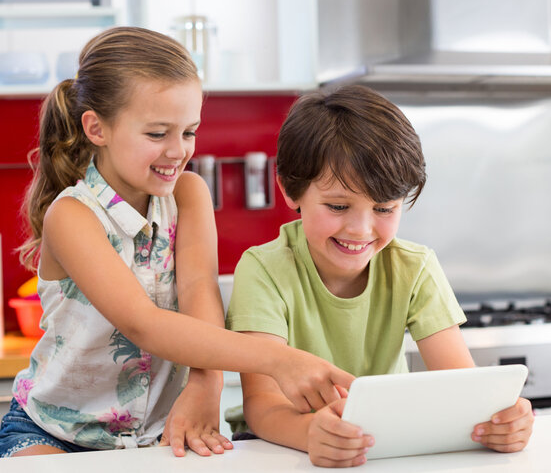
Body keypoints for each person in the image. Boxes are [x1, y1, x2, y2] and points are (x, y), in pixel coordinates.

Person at [0, 27, 353, 460]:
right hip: (55, 432)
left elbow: (200, 292)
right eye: (157, 133)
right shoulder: (72, 216)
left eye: (189, 132)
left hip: (162, 433)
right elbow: (143, 324)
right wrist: (277, 359)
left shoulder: (188, 194)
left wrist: (207, 381)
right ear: (97, 128)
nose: (178, 150)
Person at [225, 84, 534, 468]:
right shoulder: (264, 269)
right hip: (278, 446)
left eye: (385, 208)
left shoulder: (414, 268)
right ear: (290, 189)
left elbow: (461, 387)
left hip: (381, 446)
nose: (360, 229)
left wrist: (501, 421)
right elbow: (262, 405)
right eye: (338, 205)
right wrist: (311, 433)